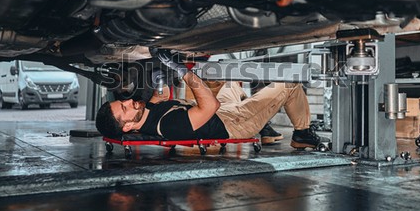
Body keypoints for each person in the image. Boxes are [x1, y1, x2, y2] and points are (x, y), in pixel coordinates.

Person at [95, 50, 328, 148]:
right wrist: (182, 70)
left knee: (231, 82)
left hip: (223, 113)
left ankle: (264, 124)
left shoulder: (147, 112)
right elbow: (210, 105)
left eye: (122, 101)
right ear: (127, 126)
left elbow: (160, 96)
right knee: (289, 84)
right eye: (124, 108)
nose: (128, 101)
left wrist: (160, 75)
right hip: (235, 124)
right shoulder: (168, 126)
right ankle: (301, 133)